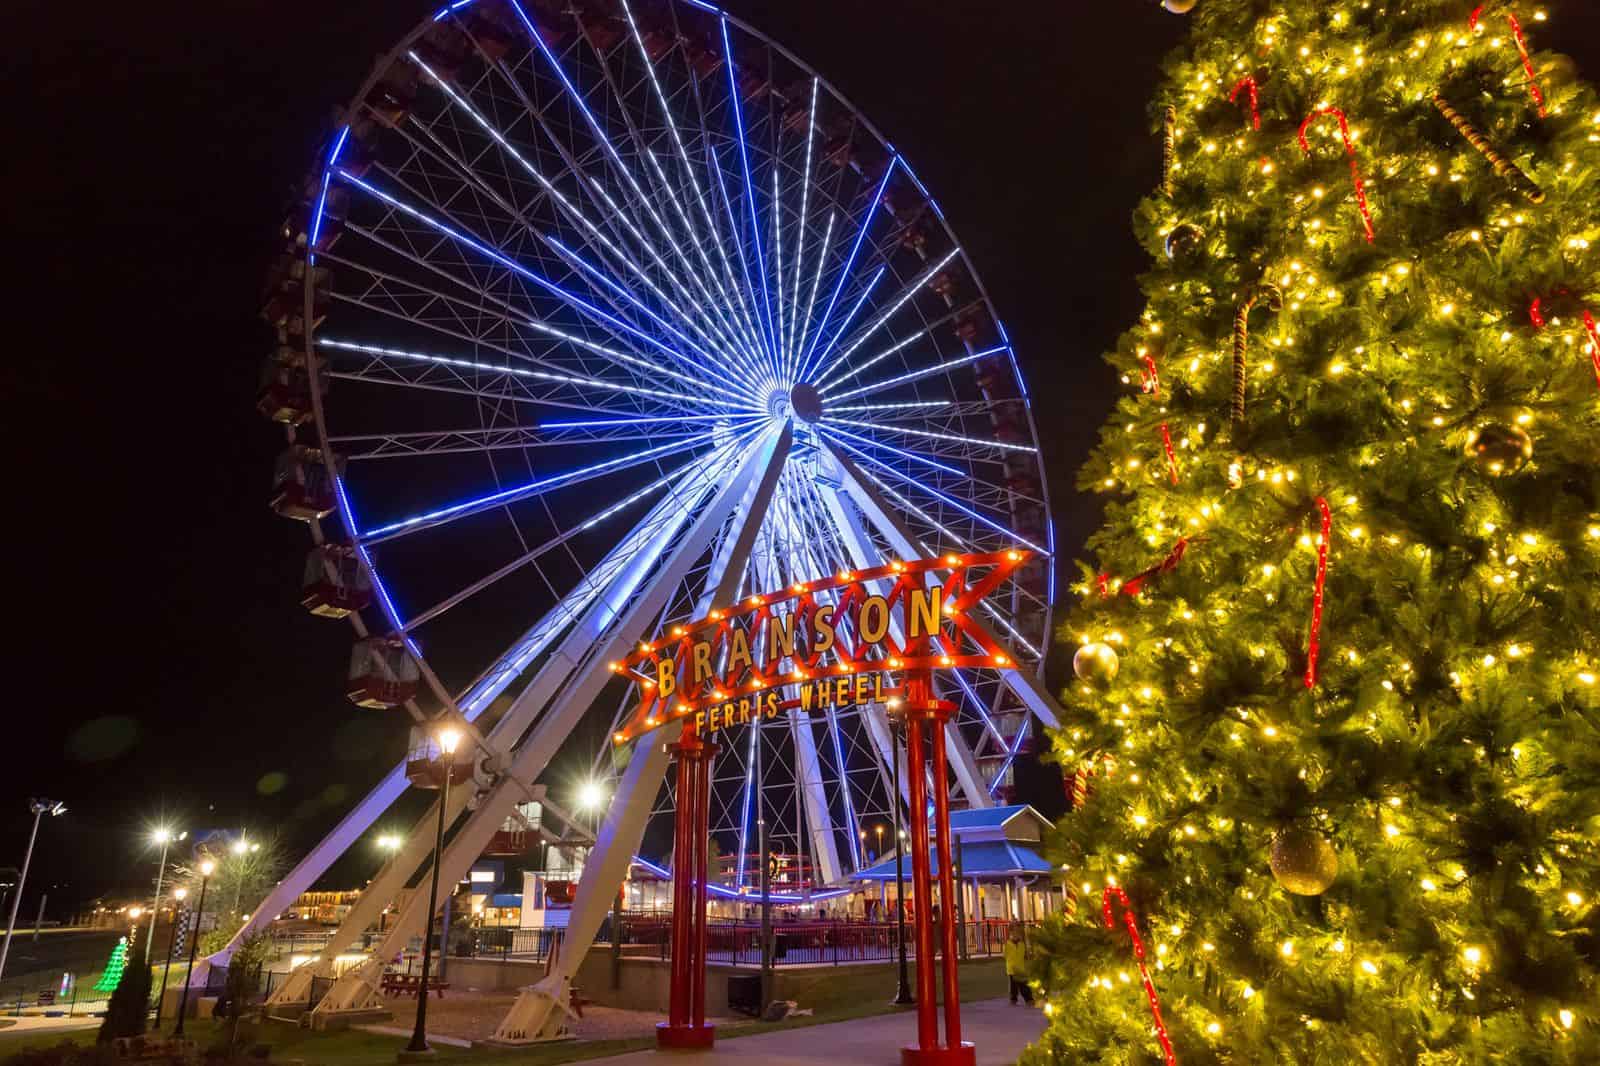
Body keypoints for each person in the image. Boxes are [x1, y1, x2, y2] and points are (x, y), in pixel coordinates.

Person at [1004, 925, 1033, 1006]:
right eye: (1014, 934)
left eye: (1018, 934)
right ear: (1010, 934)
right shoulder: (1007, 944)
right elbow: (1005, 955)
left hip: (1020, 968)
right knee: (1013, 987)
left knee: (1024, 985)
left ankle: (1029, 999)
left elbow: (1025, 955)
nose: (1016, 935)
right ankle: (1013, 999)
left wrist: (1028, 955)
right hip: (1012, 969)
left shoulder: (1022, 944)